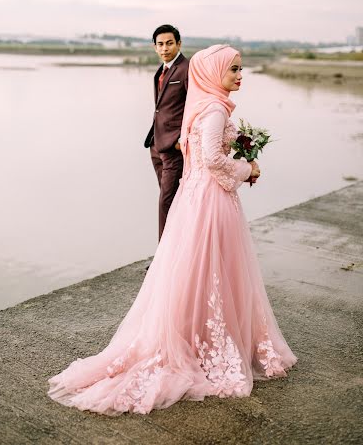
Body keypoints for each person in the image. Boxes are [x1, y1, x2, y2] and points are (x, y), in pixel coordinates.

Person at [48, 44, 297, 415]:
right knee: (215, 271)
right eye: (233, 70)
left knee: (199, 272)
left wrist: (241, 159)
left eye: (240, 69)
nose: (240, 75)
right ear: (214, 74)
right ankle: (207, 341)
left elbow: (200, 154)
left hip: (195, 199)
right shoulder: (213, 110)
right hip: (211, 200)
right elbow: (213, 160)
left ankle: (198, 333)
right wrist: (247, 170)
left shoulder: (200, 108)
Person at [144, 24, 189, 240]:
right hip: (157, 144)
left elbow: (194, 107)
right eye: (160, 44)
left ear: (179, 44)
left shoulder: (187, 69)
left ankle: (164, 259)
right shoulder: (160, 72)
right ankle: (175, 253)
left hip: (174, 147)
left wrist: (182, 138)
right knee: (169, 199)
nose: (164, 48)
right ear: (154, 47)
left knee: (167, 201)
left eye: (169, 43)